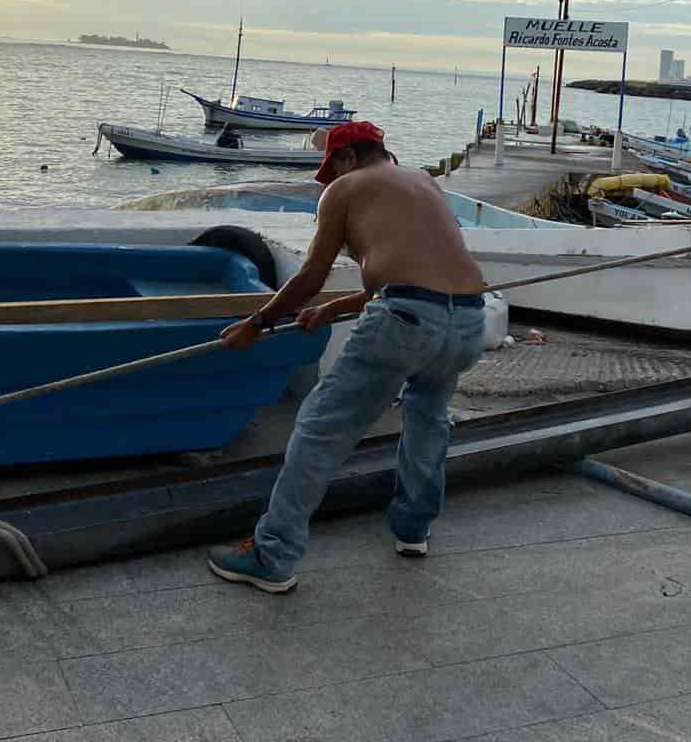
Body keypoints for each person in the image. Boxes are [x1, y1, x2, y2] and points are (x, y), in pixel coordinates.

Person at [205, 120, 487, 593]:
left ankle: (273, 556)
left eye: (331, 168)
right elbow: (419, 278)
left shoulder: (344, 189)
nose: (329, 180)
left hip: (406, 321)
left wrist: (257, 324)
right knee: (427, 417)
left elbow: (311, 276)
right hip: (469, 321)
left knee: (321, 428)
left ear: (349, 159)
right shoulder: (422, 181)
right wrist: (336, 308)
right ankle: (413, 529)